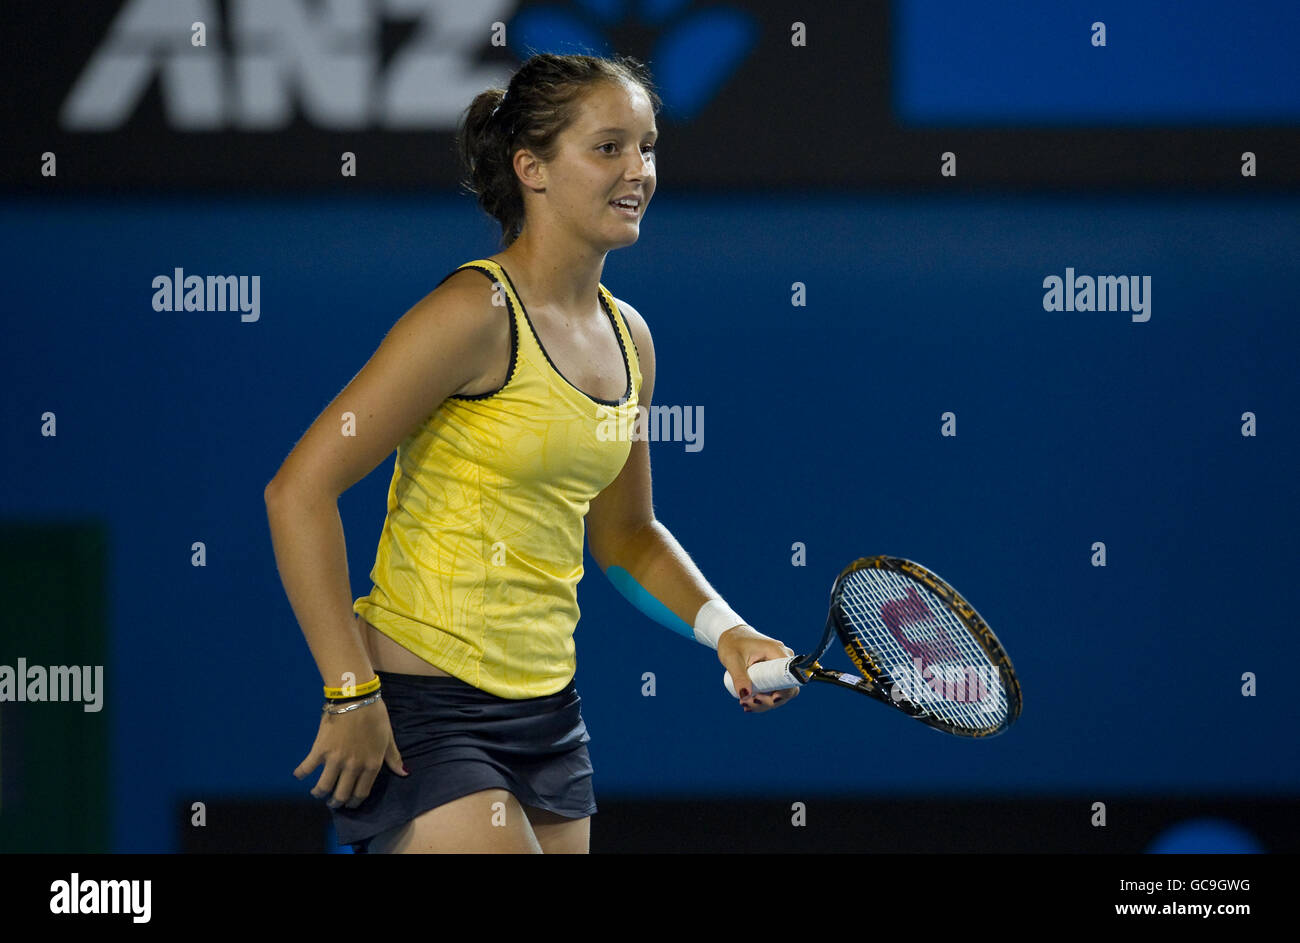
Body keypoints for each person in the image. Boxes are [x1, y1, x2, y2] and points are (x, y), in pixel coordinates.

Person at [263, 52, 797, 855]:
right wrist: (349, 689)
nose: (639, 171)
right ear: (531, 167)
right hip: (424, 712)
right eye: (608, 147)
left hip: (548, 716)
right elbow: (297, 490)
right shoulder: (469, 315)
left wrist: (726, 630)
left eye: (647, 147)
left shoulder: (631, 340)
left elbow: (626, 534)